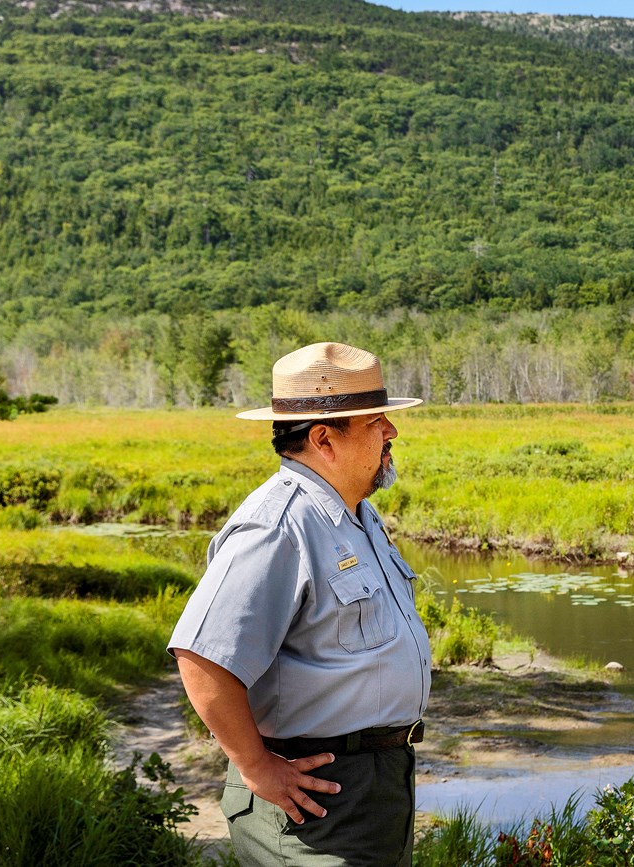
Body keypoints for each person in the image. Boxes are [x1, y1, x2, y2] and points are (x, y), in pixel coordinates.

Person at [169, 342, 431, 866]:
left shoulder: (352, 513)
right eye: (376, 422)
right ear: (323, 439)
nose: (391, 433)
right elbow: (204, 658)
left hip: (375, 788)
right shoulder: (278, 526)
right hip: (315, 804)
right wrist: (256, 766)